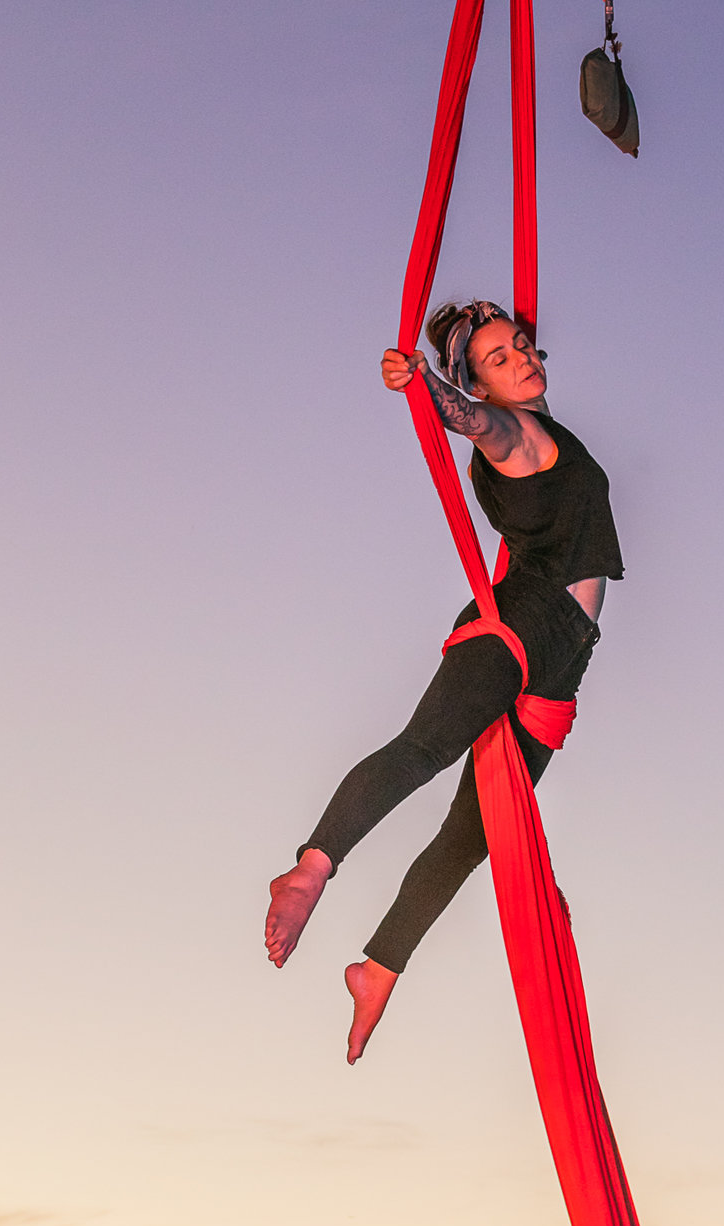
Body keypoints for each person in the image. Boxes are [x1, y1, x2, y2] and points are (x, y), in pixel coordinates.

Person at [263, 301, 622, 1065]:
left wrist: (466, 349)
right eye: (500, 358)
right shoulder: (515, 435)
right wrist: (434, 391)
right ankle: (310, 868)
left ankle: (379, 967)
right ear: (480, 385)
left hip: (566, 655)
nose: (521, 358)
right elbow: (484, 424)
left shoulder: (542, 423)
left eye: (523, 347)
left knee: (473, 837)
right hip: (526, 623)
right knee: (423, 748)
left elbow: (505, 398)